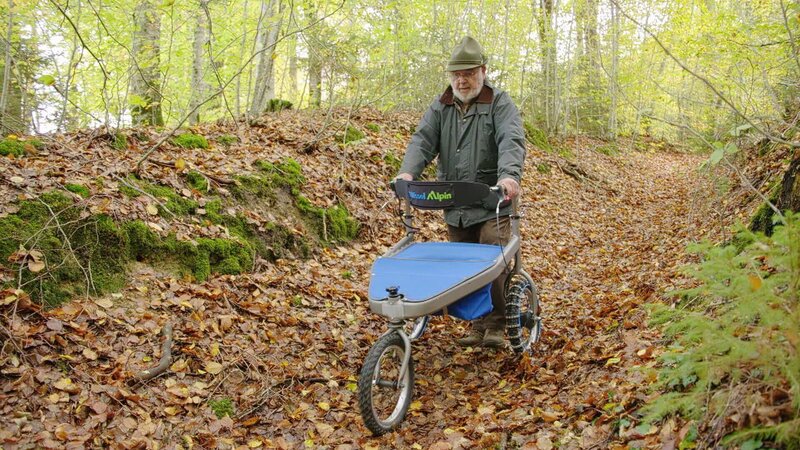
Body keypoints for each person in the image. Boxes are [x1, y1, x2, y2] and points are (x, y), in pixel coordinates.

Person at [395, 36, 526, 348]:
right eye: (456, 75)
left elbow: (511, 141)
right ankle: (478, 323)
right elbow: (423, 140)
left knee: (493, 259)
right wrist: (408, 172)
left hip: (493, 200)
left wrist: (509, 176)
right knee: (464, 266)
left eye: (468, 74)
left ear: (483, 71)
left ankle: (497, 324)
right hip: (455, 202)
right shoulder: (441, 106)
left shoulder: (499, 103)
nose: (462, 81)